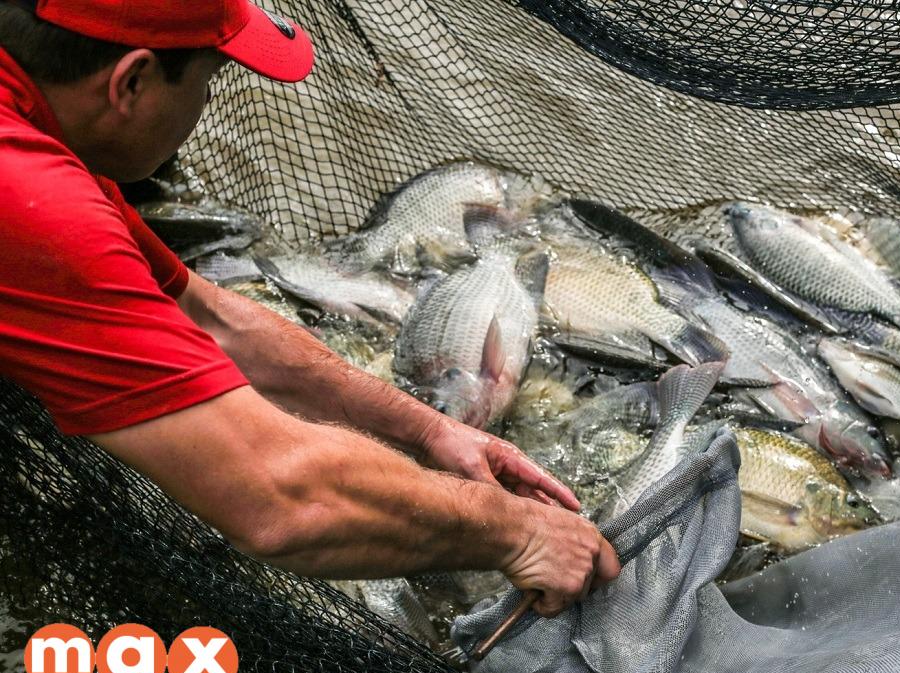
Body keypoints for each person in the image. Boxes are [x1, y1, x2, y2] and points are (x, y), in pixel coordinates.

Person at [0, 0, 619, 619]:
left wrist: (431, 429)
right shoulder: (37, 203)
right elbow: (278, 496)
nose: (206, 109)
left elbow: (211, 320)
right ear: (131, 81)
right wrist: (521, 532)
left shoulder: (40, 142)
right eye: (210, 82)